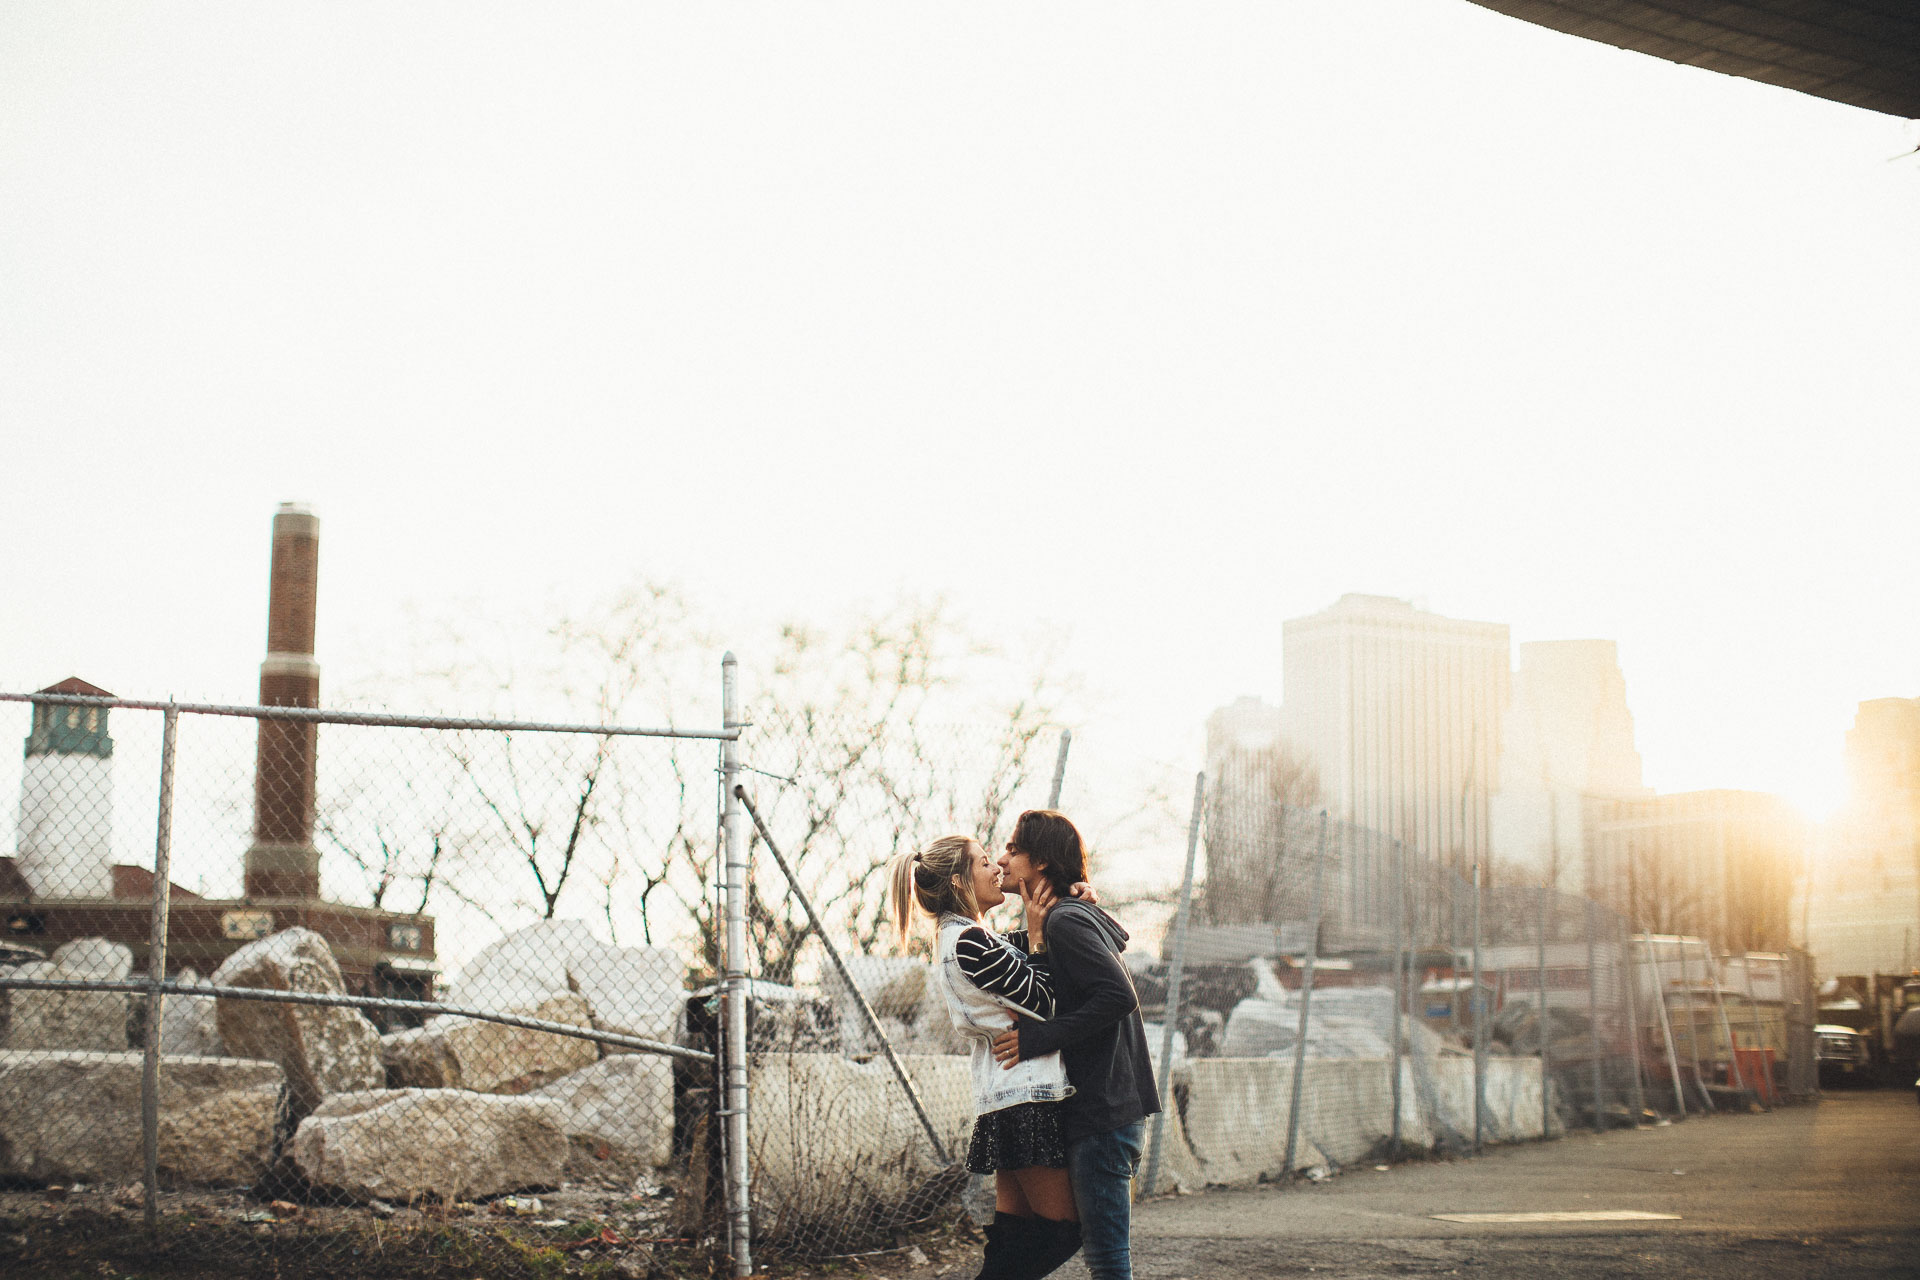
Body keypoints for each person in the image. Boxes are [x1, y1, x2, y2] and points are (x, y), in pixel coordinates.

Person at [888, 835, 1084, 1280]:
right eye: (981, 863)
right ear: (959, 881)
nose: (996, 867)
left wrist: (1072, 900)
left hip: (1008, 1096)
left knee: (1013, 1236)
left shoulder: (971, 938)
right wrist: (1037, 940)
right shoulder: (970, 942)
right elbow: (1049, 1000)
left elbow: (1030, 953)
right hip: (1026, 1096)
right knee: (1064, 1230)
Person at [991, 810, 1159, 1280]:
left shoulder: (1066, 920)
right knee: (1102, 1254)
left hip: (1103, 1114)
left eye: (1012, 849)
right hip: (1109, 1109)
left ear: (1040, 861)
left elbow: (1118, 996)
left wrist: (1035, 1039)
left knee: (1107, 1259)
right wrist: (1047, 925)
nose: (1001, 858)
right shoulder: (1068, 917)